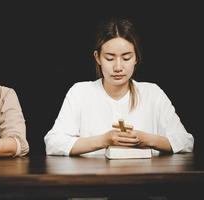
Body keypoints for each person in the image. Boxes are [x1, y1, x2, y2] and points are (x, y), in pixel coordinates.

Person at [44, 18, 194, 156]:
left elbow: (185, 141)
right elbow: (53, 143)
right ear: (97, 58)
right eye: (109, 58)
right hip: (92, 180)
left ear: (136, 58)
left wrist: (147, 139)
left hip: (145, 179)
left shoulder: (152, 93)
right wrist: (103, 140)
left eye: (126, 58)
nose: (118, 67)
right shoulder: (80, 92)